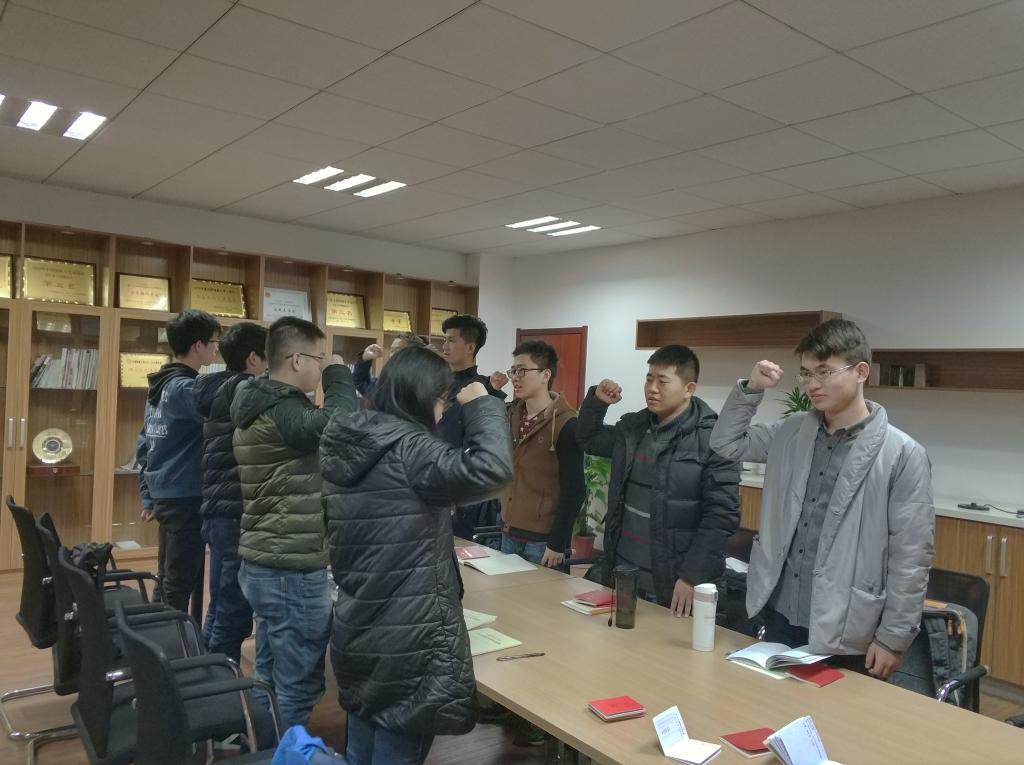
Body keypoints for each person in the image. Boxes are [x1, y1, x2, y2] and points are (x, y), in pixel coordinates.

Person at [710, 319, 934, 679]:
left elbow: (911, 558)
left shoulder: (902, 454)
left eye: (825, 372)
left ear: (861, 372)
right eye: (806, 373)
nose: (812, 384)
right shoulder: (791, 432)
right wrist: (752, 389)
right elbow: (726, 443)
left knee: (838, 714)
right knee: (773, 710)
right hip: (781, 612)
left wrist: (893, 638)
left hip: (850, 629)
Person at [321, 345, 513, 765]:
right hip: (411, 642)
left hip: (358, 624)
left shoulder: (347, 440)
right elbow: (493, 469)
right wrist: (482, 405)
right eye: (442, 400)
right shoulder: (412, 451)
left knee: (360, 752)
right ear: (425, 398)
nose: (442, 413)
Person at [231, 317, 356, 729]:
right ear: (298, 360)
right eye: (319, 359)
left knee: (269, 672)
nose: (322, 367)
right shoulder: (283, 409)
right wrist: (339, 374)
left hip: (267, 560)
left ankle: (262, 743)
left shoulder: (261, 400)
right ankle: (286, 751)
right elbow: (339, 425)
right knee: (297, 684)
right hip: (289, 568)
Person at [576, 345, 741, 615]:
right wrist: (597, 402)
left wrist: (692, 577)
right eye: (649, 379)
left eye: (663, 381)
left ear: (689, 388)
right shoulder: (633, 429)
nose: (652, 389)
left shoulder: (715, 439)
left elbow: (722, 516)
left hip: (674, 583)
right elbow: (589, 439)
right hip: (623, 574)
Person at [136, 309, 221, 613]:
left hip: (165, 493)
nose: (216, 349)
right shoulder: (187, 388)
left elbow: (144, 444)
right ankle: (168, 639)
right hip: (185, 496)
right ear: (198, 345)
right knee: (178, 582)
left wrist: (148, 495)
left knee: (168, 576)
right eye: (214, 342)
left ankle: (158, 631)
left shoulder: (160, 385)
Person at [193, 321, 267, 661]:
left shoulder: (218, 388)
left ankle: (206, 670)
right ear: (253, 358)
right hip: (236, 510)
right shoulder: (247, 393)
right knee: (234, 610)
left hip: (217, 507)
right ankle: (221, 679)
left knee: (221, 603)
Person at [496, 340, 585, 568]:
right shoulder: (510, 414)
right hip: (508, 532)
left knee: (540, 593)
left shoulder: (567, 424)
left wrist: (557, 542)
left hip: (543, 542)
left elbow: (574, 489)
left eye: (522, 370)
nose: (515, 377)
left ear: (546, 375)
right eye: (513, 370)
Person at [438, 314, 508, 539]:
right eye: (444, 339)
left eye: (451, 340)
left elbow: (489, 435)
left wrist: (492, 392)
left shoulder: (483, 387)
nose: (444, 346)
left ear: (470, 347)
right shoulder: (436, 383)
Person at [352, 332, 427, 398]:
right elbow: (361, 382)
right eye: (391, 351)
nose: (392, 356)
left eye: (397, 351)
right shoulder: (388, 384)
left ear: (414, 356)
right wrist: (364, 359)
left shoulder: (425, 386)